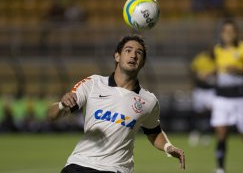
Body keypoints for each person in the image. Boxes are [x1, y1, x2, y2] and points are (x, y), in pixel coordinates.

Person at [48, 35, 185, 173]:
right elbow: (51, 115)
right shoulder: (93, 83)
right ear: (117, 56)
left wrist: (168, 147)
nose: (133, 55)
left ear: (143, 62)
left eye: (139, 53)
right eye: (128, 50)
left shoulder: (149, 100)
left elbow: (154, 132)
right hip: (79, 165)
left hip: (116, 169)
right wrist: (61, 105)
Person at [211, 20, 243, 173]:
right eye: (225, 31)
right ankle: (220, 168)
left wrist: (239, 70)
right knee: (221, 132)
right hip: (221, 97)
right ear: (222, 33)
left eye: (231, 31)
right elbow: (219, 69)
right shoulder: (218, 49)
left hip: (241, 97)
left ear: (236, 33)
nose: (228, 34)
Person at [189, 49, 216, 146]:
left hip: (211, 90)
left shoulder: (219, 59)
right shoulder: (201, 58)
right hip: (200, 89)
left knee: (212, 113)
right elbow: (192, 70)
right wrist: (198, 76)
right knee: (197, 112)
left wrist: (212, 73)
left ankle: (207, 133)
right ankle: (195, 132)